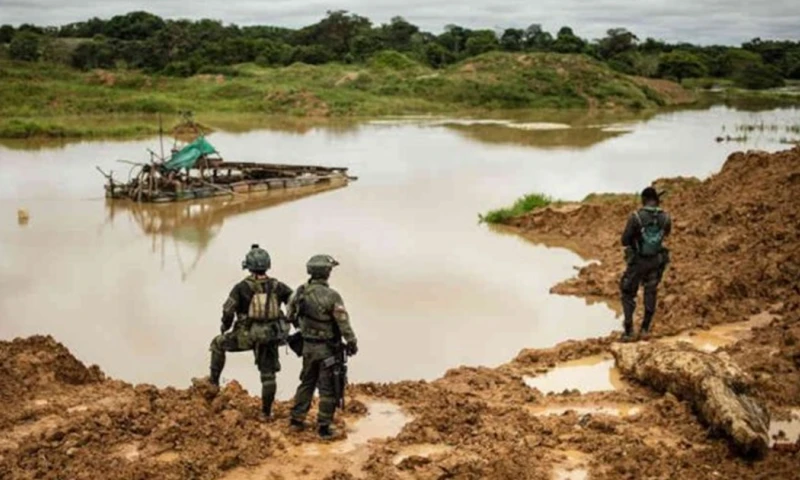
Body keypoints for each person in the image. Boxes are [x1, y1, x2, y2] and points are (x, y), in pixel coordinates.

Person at [209, 244, 293, 418]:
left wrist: (225, 328)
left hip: (245, 336)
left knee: (217, 344)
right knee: (268, 375)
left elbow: (228, 311)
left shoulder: (241, 288)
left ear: (248, 266)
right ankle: (266, 413)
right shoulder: (278, 286)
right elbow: (294, 302)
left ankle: (214, 383)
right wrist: (288, 321)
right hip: (271, 336)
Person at [288, 255, 358, 439]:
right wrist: (352, 342)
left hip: (308, 347)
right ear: (326, 273)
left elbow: (290, 315)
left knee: (307, 382)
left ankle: (296, 420)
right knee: (328, 388)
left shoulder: (300, 292)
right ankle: (324, 427)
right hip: (327, 349)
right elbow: (343, 323)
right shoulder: (332, 296)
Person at [619, 187, 671, 341]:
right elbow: (666, 234)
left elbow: (624, 241)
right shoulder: (666, 218)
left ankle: (629, 331)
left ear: (643, 199)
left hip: (637, 262)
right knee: (651, 292)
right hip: (656, 262)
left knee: (628, 293)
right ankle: (645, 329)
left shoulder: (636, 217)